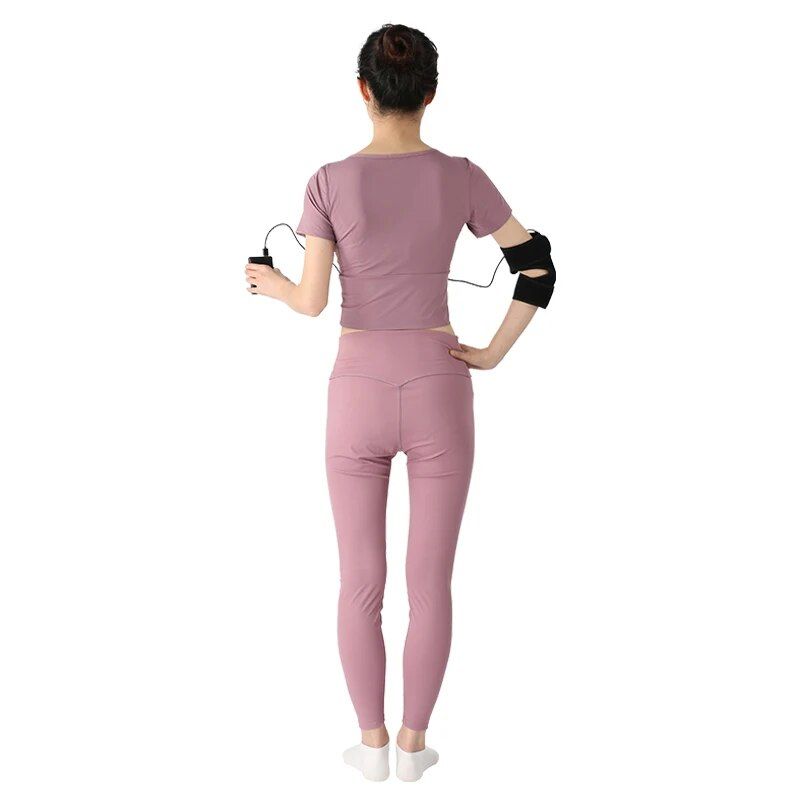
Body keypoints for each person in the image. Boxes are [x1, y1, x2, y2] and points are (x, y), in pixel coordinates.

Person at [244, 23, 555, 782]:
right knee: (429, 581)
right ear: (431, 94)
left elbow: (312, 301)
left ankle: (371, 745)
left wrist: (270, 283)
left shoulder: (329, 181)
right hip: (440, 382)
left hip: (357, 389)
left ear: (362, 90)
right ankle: (415, 747)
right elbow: (538, 266)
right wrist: (492, 352)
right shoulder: (462, 176)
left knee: (360, 581)